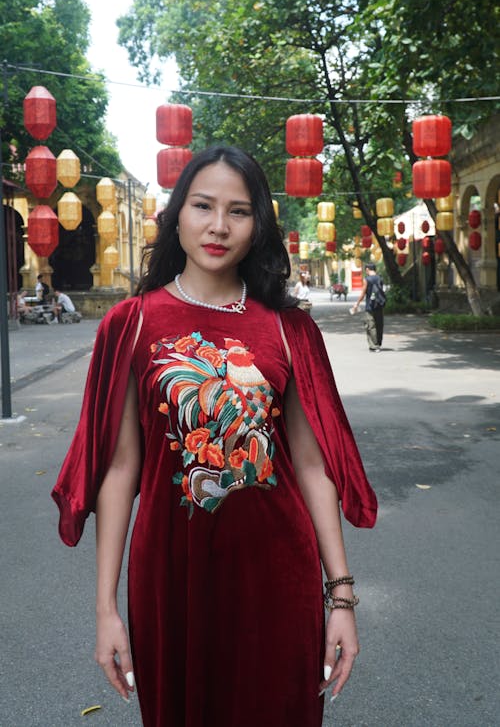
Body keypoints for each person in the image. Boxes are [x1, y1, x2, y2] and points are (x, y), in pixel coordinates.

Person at [52, 146, 377, 727]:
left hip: (278, 575)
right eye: (203, 206)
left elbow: (311, 464)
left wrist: (342, 598)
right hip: (170, 578)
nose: (219, 226)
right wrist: (105, 610)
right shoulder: (131, 324)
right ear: (177, 215)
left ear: (259, 227)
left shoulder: (287, 327)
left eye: (240, 211)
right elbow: (121, 470)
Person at [352, 262, 386, 352]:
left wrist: (357, 303)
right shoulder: (380, 278)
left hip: (370, 306)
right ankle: (378, 343)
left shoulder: (367, 279)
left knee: (371, 325)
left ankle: (374, 346)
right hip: (379, 305)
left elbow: (363, 293)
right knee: (379, 325)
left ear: (367, 269)